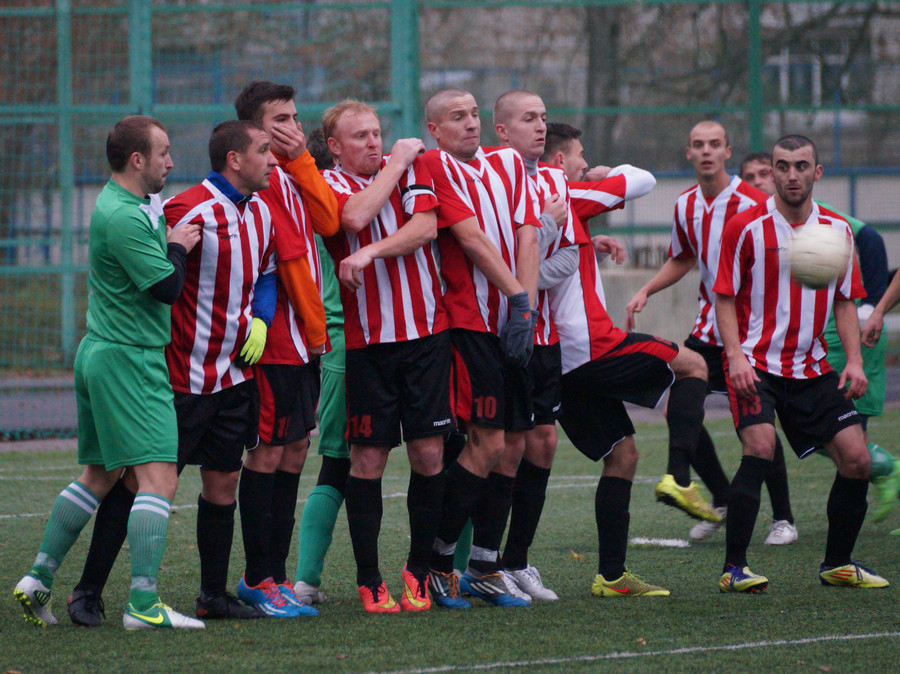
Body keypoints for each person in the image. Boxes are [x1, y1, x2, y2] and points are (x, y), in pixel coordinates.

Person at [13, 115, 204, 630]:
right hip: (129, 358)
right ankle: (143, 604)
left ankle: (37, 580)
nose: (171, 161)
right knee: (159, 476)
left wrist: (166, 231)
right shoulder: (120, 214)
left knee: (101, 475)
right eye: (163, 152)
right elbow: (165, 287)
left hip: (104, 350)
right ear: (137, 159)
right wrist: (179, 244)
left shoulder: (130, 205)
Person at [491, 95, 657, 601]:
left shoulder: (558, 185)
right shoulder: (491, 180)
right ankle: (464, 564)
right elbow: (510, 258)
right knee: (483, 450)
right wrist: (551, 228)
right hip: (496, 336)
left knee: (539, 444)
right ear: (501, 131)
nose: (539, 127)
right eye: (529, 119)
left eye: (543, 119)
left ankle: (514, 562)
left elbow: (546, 263)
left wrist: (574, 232)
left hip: (547, 345)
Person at [714, 134, 888, 592]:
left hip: (812, 370)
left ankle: (837, 563)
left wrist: (852, 360)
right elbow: (725, 297)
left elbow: (847, 302)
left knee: (857, 459)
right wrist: (733, 357)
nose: (793, 175)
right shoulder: (745, 226)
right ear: (770, 172)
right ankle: (734, 569)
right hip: (756, 366)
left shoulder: (838, 230)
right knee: (760, 447)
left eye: (802, 166)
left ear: (817, 172)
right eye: (784, 166)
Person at [541, 121, 704, 598]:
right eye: (580, 155)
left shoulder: (542, 202)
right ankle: (679, 478)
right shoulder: (567, 193)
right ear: (558, 162)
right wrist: (605, 173)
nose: (585, 163)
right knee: (693, 365)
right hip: (589, 345)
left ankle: (611, 576)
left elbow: (555, 251)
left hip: (559, 357)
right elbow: (643, 179)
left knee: (623, 454)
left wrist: (593, 240)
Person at [625, 122, 798, 546]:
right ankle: (719, 499)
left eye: (714, 145)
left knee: (758, 426)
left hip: (751, 335)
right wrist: (646, 288)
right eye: (699, 145)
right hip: (708, 327)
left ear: (727, 151)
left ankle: (783, 518)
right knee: (680, 408)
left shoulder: (755, 201)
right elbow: (682, 258)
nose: (706, 152)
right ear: (689, 153)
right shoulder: (685, 205)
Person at [318, 100, 452, 613]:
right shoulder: (333, 187)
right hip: (368, 345)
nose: (374, 143)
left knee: (430, 455)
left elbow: (424, 229)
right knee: (368, 459)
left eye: (378, 134)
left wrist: (371, 252)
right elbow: (353, 218)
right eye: (361, 137)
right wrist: (395, 161)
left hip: (426, 337)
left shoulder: (414, 173)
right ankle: (370, 578)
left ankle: (417, 571)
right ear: (335, 147)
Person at [419, 88, 540, 609]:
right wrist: (515, 299)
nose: (469, 124)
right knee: (486, 445)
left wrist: (526, 308)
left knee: (515, 447)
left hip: (515, 322)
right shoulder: (434, 165)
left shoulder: (510, 163)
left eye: (473, 114)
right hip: (470, 325)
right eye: (456, 117)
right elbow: (470, 238)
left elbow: (528, 234)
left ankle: (485, 568)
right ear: (435, 130)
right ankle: (437, 564)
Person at [742, 152, 900, 523]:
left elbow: (871, 241)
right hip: (769, 353)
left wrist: (872, 308)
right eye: (751, 176)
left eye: (766, 173)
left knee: (846, 434)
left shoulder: (821, 218)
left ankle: (882, 468)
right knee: (788, 435)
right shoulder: (751, 224)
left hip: (836, 333)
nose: (761, 181)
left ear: (813, 174)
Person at [230, 81, 339, 618]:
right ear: (256, 129)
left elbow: (329, 220)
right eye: (282, 119)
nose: (295, 126)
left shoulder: (294, 171)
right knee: (267, 452)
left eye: (297, 117)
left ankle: (271, 576)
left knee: (295, 450)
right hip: (270, 343)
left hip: (304, 341)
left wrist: (301, 162)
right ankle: (258, 577)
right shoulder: (252, 180)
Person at [292, 129, 349, 606]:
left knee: (446, 455)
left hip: (411, 340)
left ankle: (450, 574)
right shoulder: (329, 198)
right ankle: (304, 580)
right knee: (339, 463)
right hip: (347, 342)